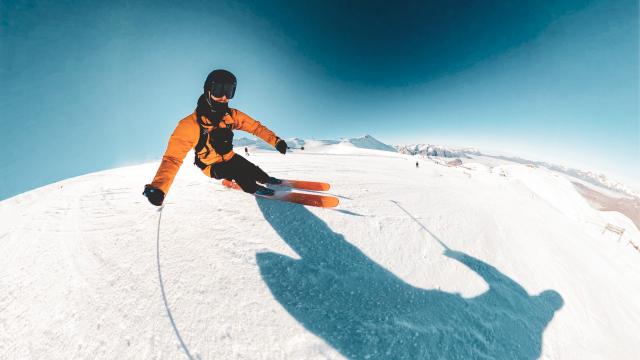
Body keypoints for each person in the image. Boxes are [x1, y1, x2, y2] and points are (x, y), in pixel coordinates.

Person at [142, 69, 288, 206]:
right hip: (211, 166)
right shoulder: (190, 125)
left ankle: (265, 178)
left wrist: (276, 141)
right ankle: (254, 188)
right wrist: (159, 188)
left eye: (229, 91)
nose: (224, 97)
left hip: (229, 157)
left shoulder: (230, 116)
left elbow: (255, 127)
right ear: (208, 91)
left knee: (250, 168)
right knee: (238, 171)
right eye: (219, 90)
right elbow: (172, 159)